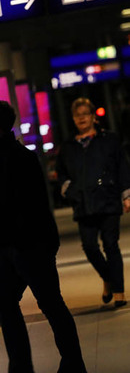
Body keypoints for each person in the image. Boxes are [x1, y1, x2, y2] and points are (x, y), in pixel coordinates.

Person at [0, 101, 88, 373]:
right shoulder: (5, 156)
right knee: (9, 301)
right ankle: (23, 370)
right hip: (12, 249)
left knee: (49, 304)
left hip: (27, 247)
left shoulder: (16, 158)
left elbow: (28, 208)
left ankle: (70, 368)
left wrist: (22, 244)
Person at [56, 97, 130, 307]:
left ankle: (118, 292)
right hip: (83, 203)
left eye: (85, 114)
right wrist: (69, 190)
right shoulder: (69, 146)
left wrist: (127, 195)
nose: (81, 118)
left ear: (92, 117)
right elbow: (60, 173)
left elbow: (122, 167)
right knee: (89, 247)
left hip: (107, 200)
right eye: (77, 115)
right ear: (73, 118)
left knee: (111, 245)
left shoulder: (109, 140)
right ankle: (108, 278)